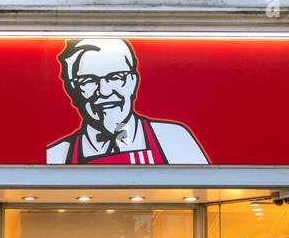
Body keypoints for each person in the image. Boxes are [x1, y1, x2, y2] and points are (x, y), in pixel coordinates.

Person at [45, 38, 208, 165]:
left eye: (115, 77)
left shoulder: (171, 138)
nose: (104, 91)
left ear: (133, 81)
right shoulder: (58, 154)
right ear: (73, 89)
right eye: (88, 80)